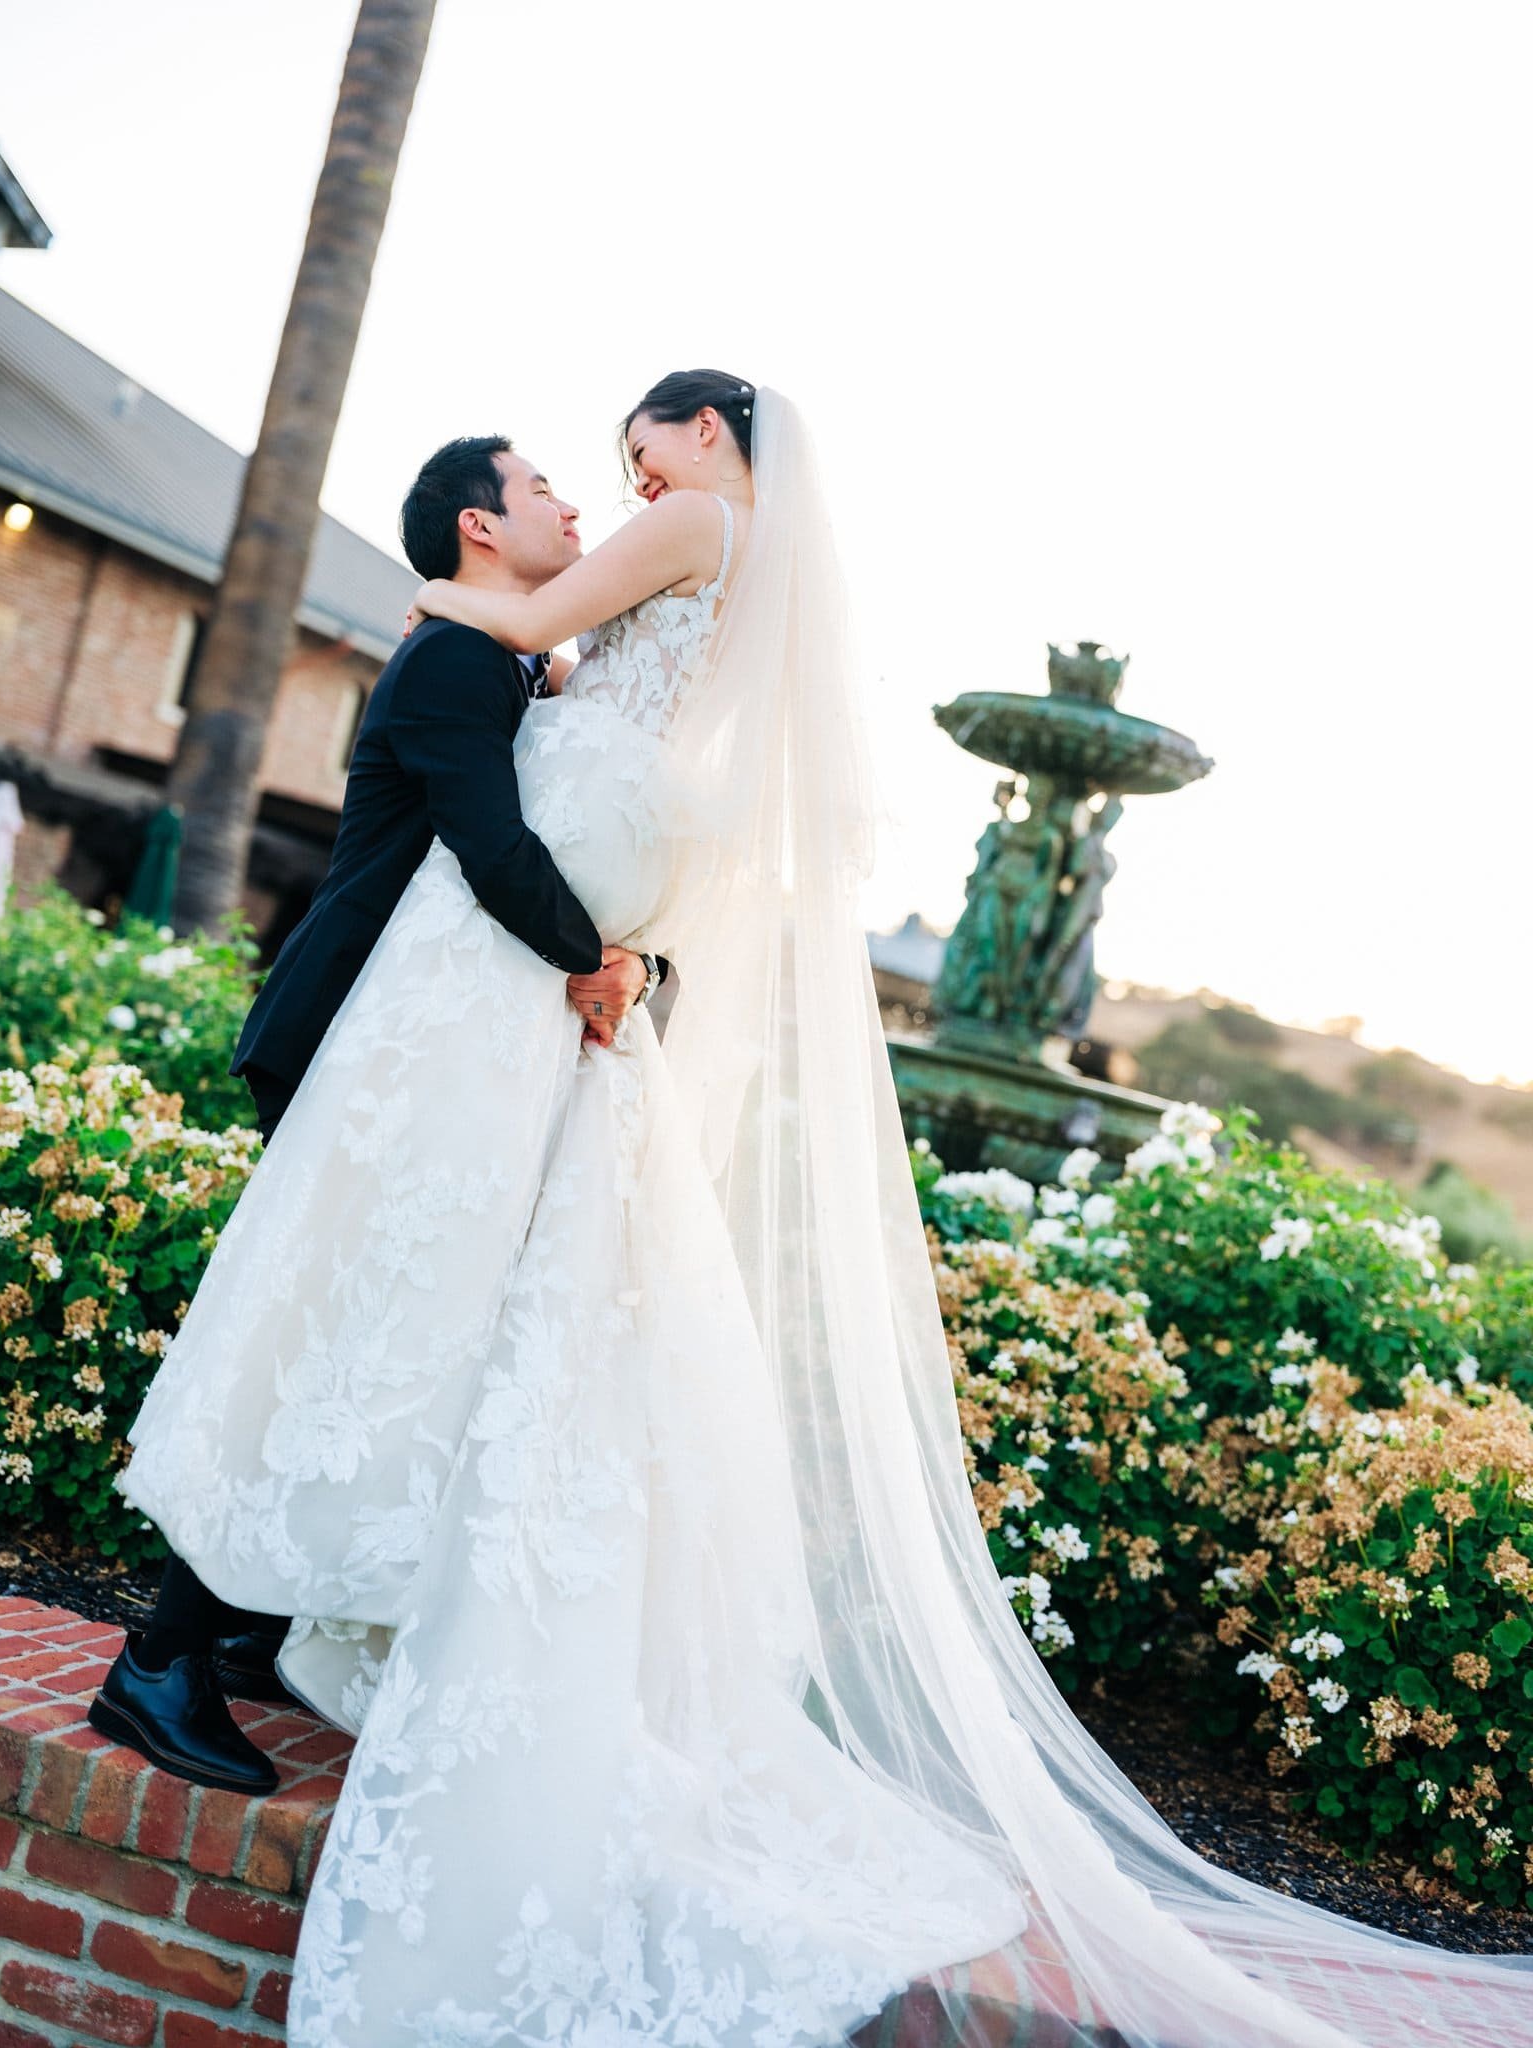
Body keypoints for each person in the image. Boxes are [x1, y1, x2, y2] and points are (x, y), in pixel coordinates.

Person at [102, 374, 1530, 2048]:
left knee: (417, 1331)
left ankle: (232, 1633)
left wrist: (462, 611)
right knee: (393, 1321)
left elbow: (547, 636)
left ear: (711, 436)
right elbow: (539, 750)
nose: (621, 488)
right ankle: (196, 1642)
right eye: (592, 474)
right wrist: (592, 926)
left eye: (638, 453)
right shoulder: (701, 601)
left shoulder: (690, 534)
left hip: (522, 1008)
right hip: (485, 1002)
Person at [89, 436, 659, 1795]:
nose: (572, 503)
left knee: (364, 1325)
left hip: (411, 1047)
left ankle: (234, 1634)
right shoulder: (460, 660)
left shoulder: (500, 650)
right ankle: (158, 1661)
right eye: (541, 491)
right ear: (478, 525)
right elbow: (487, 839)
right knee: (323, 1329)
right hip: (351, 1031)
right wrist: (596, 965)